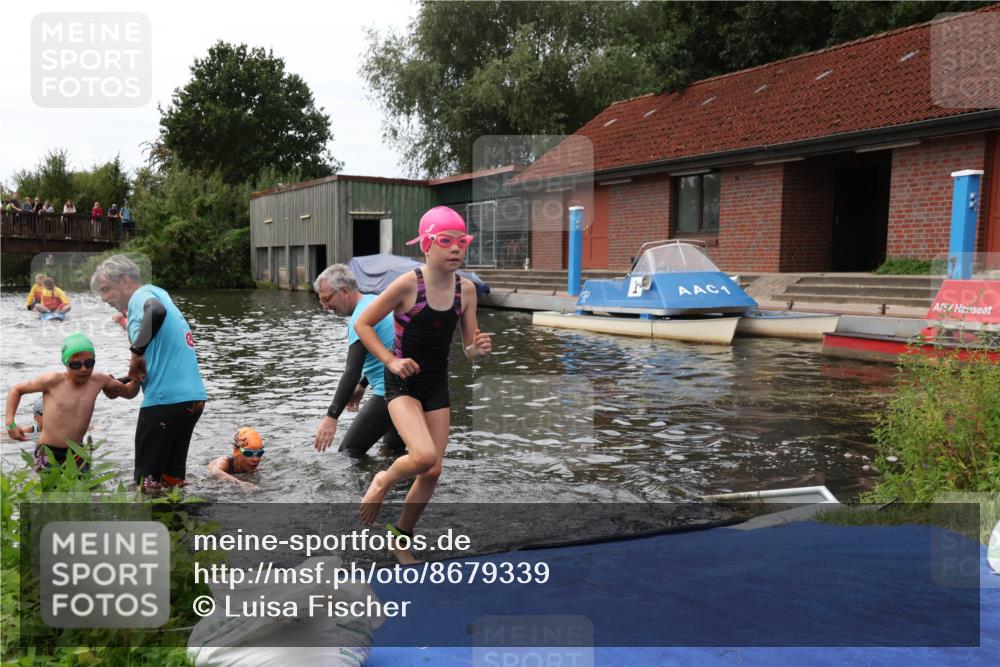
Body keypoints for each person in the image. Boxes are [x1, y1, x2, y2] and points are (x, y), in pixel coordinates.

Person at [354, 206, 493, 534]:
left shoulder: (467, 290)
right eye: (446, 240)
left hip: (435, 384)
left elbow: (468, 349)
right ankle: (383, 479)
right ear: (426, 245)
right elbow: (363, 323)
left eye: (463, 241)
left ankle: (401, 536)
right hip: (402, 381)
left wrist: (478, 350)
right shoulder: (407, 286)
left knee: (432, 472)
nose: (456, 248)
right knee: (424, 455)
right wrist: (390, 361)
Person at [90, 255, 208, 489]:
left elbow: (157, 311)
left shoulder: (141, 298)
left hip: (165, 402)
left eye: (106, 289)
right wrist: (121, 386)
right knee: (172, 482)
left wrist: (136, 352)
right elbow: (144, 375)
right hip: (192, 400)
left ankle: (151, 523)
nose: (103, 298)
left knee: (144, 485)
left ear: (125, 281)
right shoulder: (158, 292)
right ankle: (178, 523)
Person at [312, 264, 405, 458]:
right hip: (407, 390)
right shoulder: (374, 302)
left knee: (349, 452)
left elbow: (351, 371)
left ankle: (362, 489)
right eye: (321, 302)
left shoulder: (360, 319)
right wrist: (363, 384)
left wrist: (331, 416)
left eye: (327, 299)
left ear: (344, 291)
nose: (325, 307)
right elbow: (387, 350)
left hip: (390, 392)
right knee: (392, 453)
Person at [5, 333, 128, 472]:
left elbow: (129, 393)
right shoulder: (52, 381)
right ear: (65, 363)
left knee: (84, 492)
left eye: (89, 363)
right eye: (75, 365)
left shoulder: (99, 380)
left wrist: (136, 377)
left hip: (77, 452)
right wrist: (10, 423)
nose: (83, 369)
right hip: (48, 451)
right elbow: (16, 390)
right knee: (51, 493)